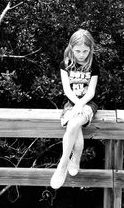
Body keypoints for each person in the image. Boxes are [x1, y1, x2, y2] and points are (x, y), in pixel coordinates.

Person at [50, 29, 99, 189]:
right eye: (78, 51)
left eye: (86, 51)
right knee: (74, 127)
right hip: (70, 103)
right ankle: (75, 158)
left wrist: (82, 104)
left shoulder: (93, 64)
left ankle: (62, 164)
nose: (82, 54)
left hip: (88, 103)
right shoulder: (65, 64)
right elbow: (67, 89)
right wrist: (76, 104)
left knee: (72, 125)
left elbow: (91, 91)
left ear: (91, 49)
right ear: (71, 47)